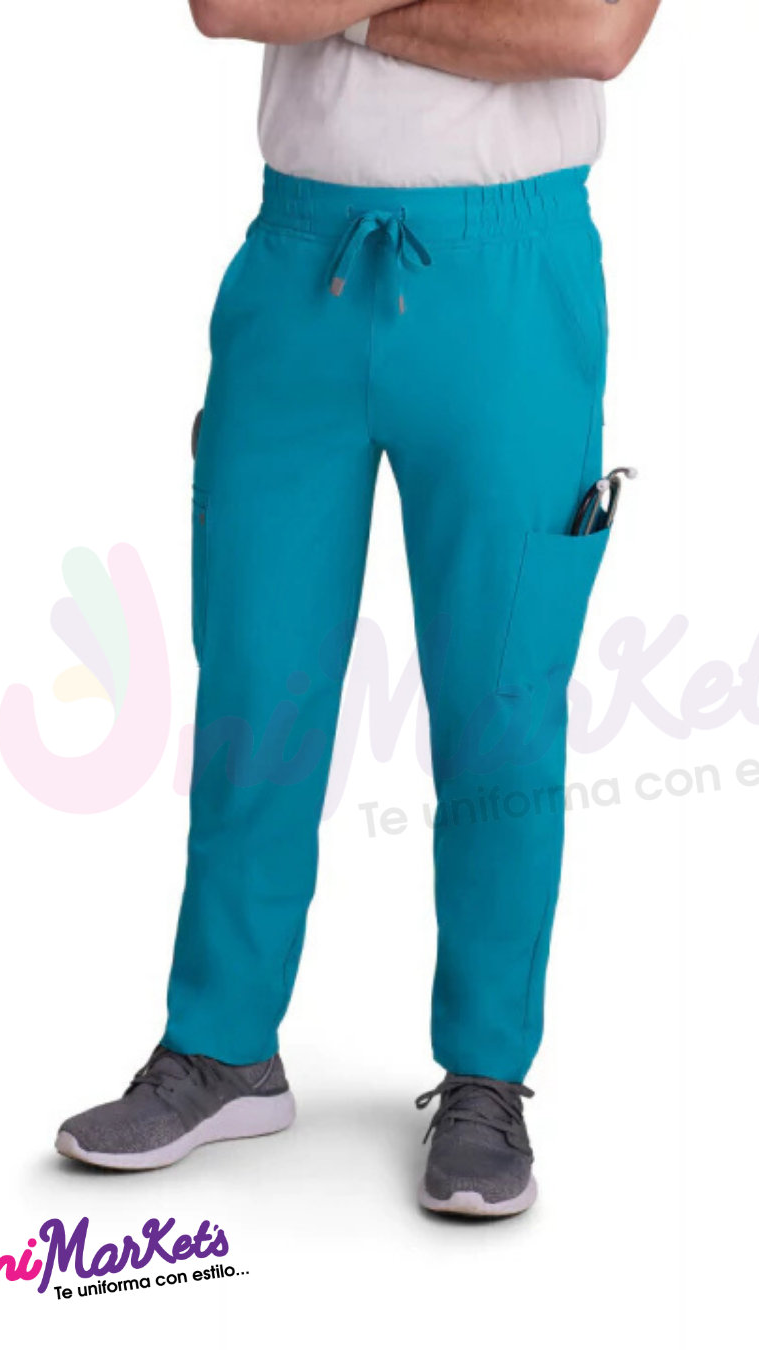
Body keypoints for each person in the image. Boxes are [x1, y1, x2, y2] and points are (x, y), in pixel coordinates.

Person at [55, 0, 661, 1217]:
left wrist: (344, 18)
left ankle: (486, 1076)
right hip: (300, 262)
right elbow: (229, 6)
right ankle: (222, 1047)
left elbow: (595, 32)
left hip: (512, 271)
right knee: (256, 677)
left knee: (501, 699)